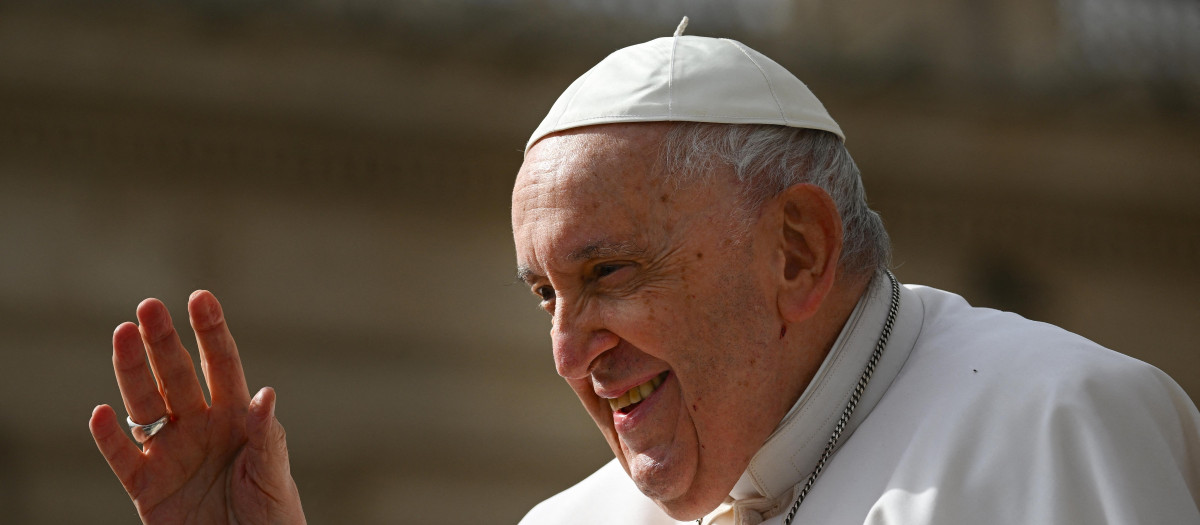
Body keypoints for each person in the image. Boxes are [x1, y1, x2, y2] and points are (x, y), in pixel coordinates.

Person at [90, 19, 1200, 525]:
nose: (569, 350)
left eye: (608, 272)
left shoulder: (1059, 427)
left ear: (797, 251)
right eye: (543, 296)